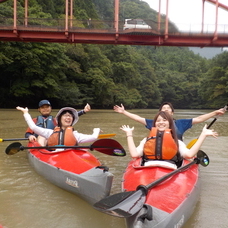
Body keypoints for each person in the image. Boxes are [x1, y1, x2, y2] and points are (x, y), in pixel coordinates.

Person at [120, 111, 218, 169]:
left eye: (164, 120)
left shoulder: (177, 142)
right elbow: (134, 154)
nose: (161, 123)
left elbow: (189, 155)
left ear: (169, 123)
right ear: (154, 124)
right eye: (158, 121)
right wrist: (129, 134)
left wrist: (203, 135)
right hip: (147, 171)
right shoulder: (146, 140)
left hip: (170, 173)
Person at [114, 102, 226, 140]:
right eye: (164, 109)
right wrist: (124, 112)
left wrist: (215, 112)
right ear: (159, 113)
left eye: (168, 108)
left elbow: (199, 119)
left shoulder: (181, 123)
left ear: (172, 113)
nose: (166, 110)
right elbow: (138, 118)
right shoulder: (154, 123)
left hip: (177, 153)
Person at [17, 106, 100, 147]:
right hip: (53, 156)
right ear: (59, 119)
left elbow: (93, 137)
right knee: (41, 137)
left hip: (69, 157)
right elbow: (33, 127)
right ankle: (41, 150)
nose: (68, 117)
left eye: (70, 116)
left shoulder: (76, 135)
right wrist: (25, 113)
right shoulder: (50, 133)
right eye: (65, 116)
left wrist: (97, 130)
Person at [25, 100, 91, 142]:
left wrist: (83, 111)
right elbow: (27, 133)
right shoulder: (34, 120)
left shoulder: (56, 120)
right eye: (43, 107)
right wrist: (30, 136)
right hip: (38, 142)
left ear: (51, 108)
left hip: (53, 140)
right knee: (42, 137)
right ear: (39, 109)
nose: (45, 109)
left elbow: (68, 118)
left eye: (47, 107)